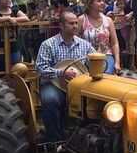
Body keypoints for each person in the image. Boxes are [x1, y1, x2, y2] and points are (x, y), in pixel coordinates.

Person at [35, 12, 93, 144]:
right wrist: (62, 73)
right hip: (53, 85)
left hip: (79, 86)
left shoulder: (85, 45)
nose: (74, 26)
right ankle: (56, 142)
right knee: (50, 100)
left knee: (95, 100)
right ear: (61, 25)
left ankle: (89, 138)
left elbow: (94, 63)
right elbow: (40, 69)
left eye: (76, 23)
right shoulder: (48, 44)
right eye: (71, 23)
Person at [77, 0, 121, 74]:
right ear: (90, 3)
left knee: (105, 74)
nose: (102, 3)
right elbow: (74, 40)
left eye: (103, 1)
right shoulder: (81, 20)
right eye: (99, 1)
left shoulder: (108, 20)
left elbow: (114, 43)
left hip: (105, 55)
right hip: (86, 57)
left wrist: (117, 62)